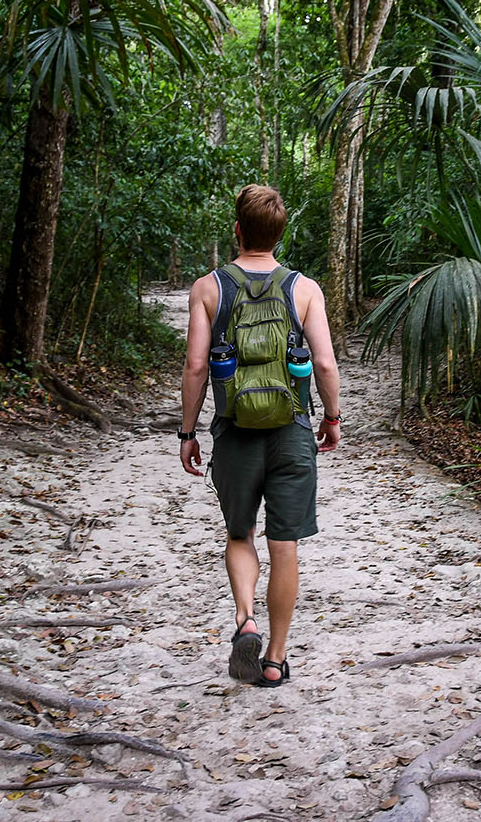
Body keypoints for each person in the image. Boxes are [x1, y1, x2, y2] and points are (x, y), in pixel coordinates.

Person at [178, 185, 341, 687]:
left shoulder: (209, 287)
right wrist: (331, 418)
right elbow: (324, 363)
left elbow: (196, 365)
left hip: (234, 430)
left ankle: (244, 617)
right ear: (280, 233)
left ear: (237, 229)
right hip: (291, 429)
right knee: (285, 544)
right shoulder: (304, 289)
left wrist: (188, 431)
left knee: (239, 533)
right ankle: (274, 658)